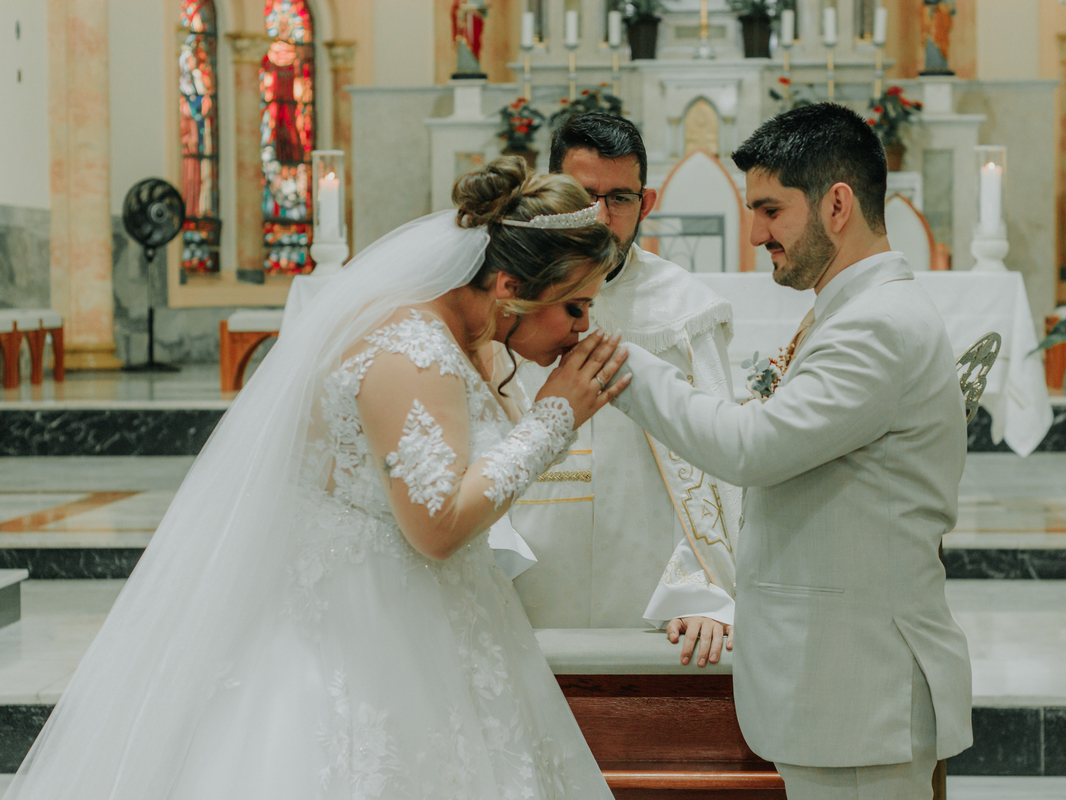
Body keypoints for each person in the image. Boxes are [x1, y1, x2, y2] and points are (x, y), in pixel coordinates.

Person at [5, 157, 631, 800]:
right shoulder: (409, 351)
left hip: (437, 615)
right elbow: (436, 527)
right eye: (575, 306)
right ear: (508, 286)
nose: (583, 328)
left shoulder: (467, 335)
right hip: (364, 626)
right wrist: (556, 414)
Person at [604, 104, 973, 798]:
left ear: (837, 204)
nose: (753, 234)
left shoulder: (876, 327)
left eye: (771, 211)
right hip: (844, 693)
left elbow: (753, 450)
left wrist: (615, 358)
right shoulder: (853, 311)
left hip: (862, 696)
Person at [509, 111, 740, 668]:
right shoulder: (504, 296)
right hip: (522, 565)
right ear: (550, 189)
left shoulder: (684, 310)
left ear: (647, 203)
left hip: (649, 581)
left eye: (621, 199)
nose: (604, 217)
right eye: (586, 196)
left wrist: (701, 589)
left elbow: (716, 462)